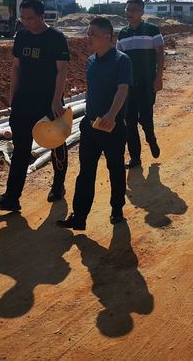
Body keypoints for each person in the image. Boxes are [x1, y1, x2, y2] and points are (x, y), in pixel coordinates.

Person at [0, 0, 70, 212]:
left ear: (42, 16)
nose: (26, 22)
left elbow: (62, 70)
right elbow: (16, 67)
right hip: (23, 102)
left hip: (48, 103)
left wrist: (56, 100)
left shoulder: (56, 38)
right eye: (22, 18)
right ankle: (12, 198)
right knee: (21, 150)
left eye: (30, 18)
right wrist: (12, 97)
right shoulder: (22, 36)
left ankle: (58, 186)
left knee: (56, 144)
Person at [58, 17, 133, 230]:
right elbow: (91, 91)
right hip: (90, 126)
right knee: (86, 172)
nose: (88, 38)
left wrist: (111, 115)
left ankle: (117, 208)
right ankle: (79, 216)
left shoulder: (122, 60)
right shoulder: (90, 61)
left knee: (115, 168)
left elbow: (123, 90)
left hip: (112, 127)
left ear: (107, 37)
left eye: (93, 34)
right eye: (88, 33)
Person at [117, 0, 164, 168]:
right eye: (127, 9)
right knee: (129, 122)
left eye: (134, 10)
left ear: (142, 12)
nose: (130, 13)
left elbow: (160, 53)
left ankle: (151, 138)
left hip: (147, 83)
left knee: (145, 118)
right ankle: (135, 157)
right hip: (128, 86)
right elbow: (118, 59)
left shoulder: (152, 30)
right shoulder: (122, 33)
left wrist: (158, 77)